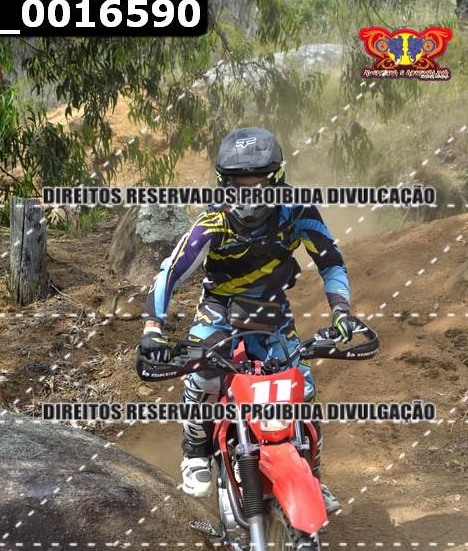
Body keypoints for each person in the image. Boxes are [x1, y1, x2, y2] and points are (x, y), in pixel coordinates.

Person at [137, 127, 353, 510]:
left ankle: (311, 475)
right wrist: (152, 328)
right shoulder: (213, 221)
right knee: (204, 373)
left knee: (302, 387)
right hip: (219, 309)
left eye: (260, 185)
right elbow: (170, 272)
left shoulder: (297, 210)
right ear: (225, 184)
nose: (250, 196)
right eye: (240, 186)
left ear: (277, 181)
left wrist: (342, 313)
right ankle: (195, 452)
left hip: (272, 311)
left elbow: (331, 263)